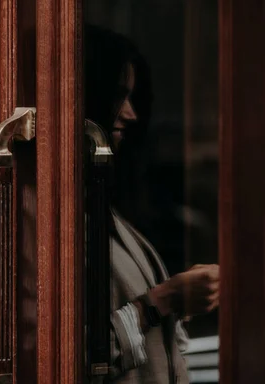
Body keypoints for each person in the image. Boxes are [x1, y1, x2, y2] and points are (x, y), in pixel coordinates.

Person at [84, 25, 220, 383]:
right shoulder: (56, 219)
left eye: (132, 98)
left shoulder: (101, 207)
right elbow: (66, 358)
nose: (129, 114)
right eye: (117, 97)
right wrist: (165, 300)